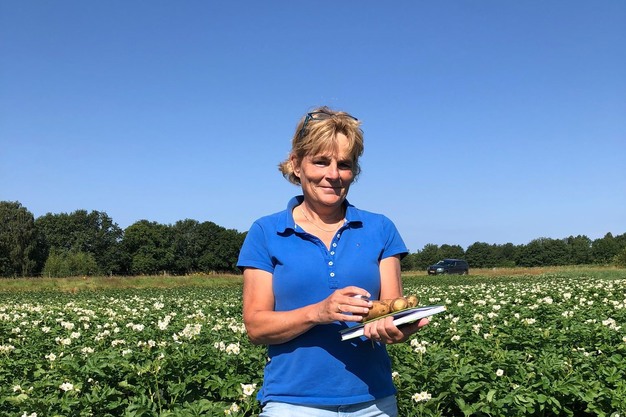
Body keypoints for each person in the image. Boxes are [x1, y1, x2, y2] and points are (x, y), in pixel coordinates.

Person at [237, 106, 429, 417]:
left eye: (344, 164)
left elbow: (391, 308)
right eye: (321, 162)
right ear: (296, 164)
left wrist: (397, 329)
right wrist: (318, 312)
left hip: (373, 403)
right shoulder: (266, 232)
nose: (333, 175)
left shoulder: (380, 228)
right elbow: (256, 327)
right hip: (292, 403)